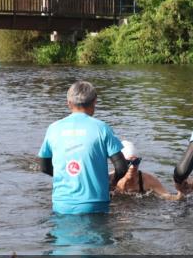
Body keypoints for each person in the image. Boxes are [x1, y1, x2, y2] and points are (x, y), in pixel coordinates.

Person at [39, 81, 127, 214]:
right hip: (95, 204)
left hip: (62, 204)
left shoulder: (53, 128)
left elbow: (44, 167)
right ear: (94, 102)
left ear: (68, 103)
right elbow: (121, 167)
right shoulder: (102, 128)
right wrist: (112, 183)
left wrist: (67, 177)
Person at [112, 140, 180, 200]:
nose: (132, 167)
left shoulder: (148, 180)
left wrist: (181, 191)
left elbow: (168, 197)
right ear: (120, 163)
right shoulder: (110, 179)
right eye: (128, 163)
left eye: (136, 162)